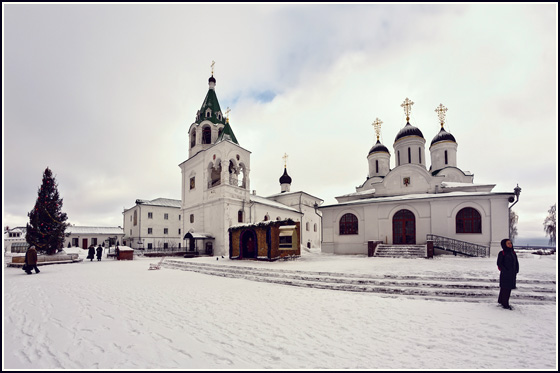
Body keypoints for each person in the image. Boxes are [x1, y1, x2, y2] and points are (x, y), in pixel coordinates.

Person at [497, 238, 519, 310]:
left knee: (505, 288)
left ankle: (501, 300)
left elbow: (516, 262)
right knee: (506, 288)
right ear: (504, 245)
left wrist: (516, 270)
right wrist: (505, 271)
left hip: (512, 274)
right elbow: (499, 263)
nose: (510, 245)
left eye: (510, 243)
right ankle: (505, 303)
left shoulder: (513, 253)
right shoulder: (502, 253)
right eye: (508, 243)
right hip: (505, 274)